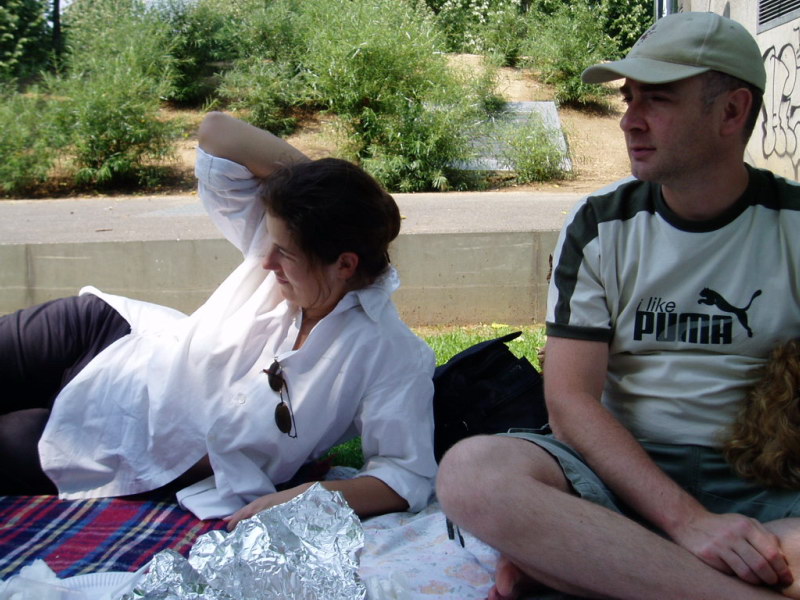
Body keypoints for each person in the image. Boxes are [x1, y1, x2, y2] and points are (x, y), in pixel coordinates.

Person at [436, 11, 800, 600]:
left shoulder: (793, 226)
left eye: (658, 99)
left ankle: (600, 566)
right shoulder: (601, 224)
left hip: (764, 480)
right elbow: (569, 401)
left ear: (732, 112)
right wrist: (688, 522)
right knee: (472, 473)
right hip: (619, 476)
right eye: (629, 99)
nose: (629, 120)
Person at [0, 111, 437, 525]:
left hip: (117, 444)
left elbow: (405, 475)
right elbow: (217, 133)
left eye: (284, 253)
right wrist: (328, 194)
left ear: (344, 264)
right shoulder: (294, 239)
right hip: (106, 337)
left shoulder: (391, 355)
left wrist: (304, 496)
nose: (265, 262)